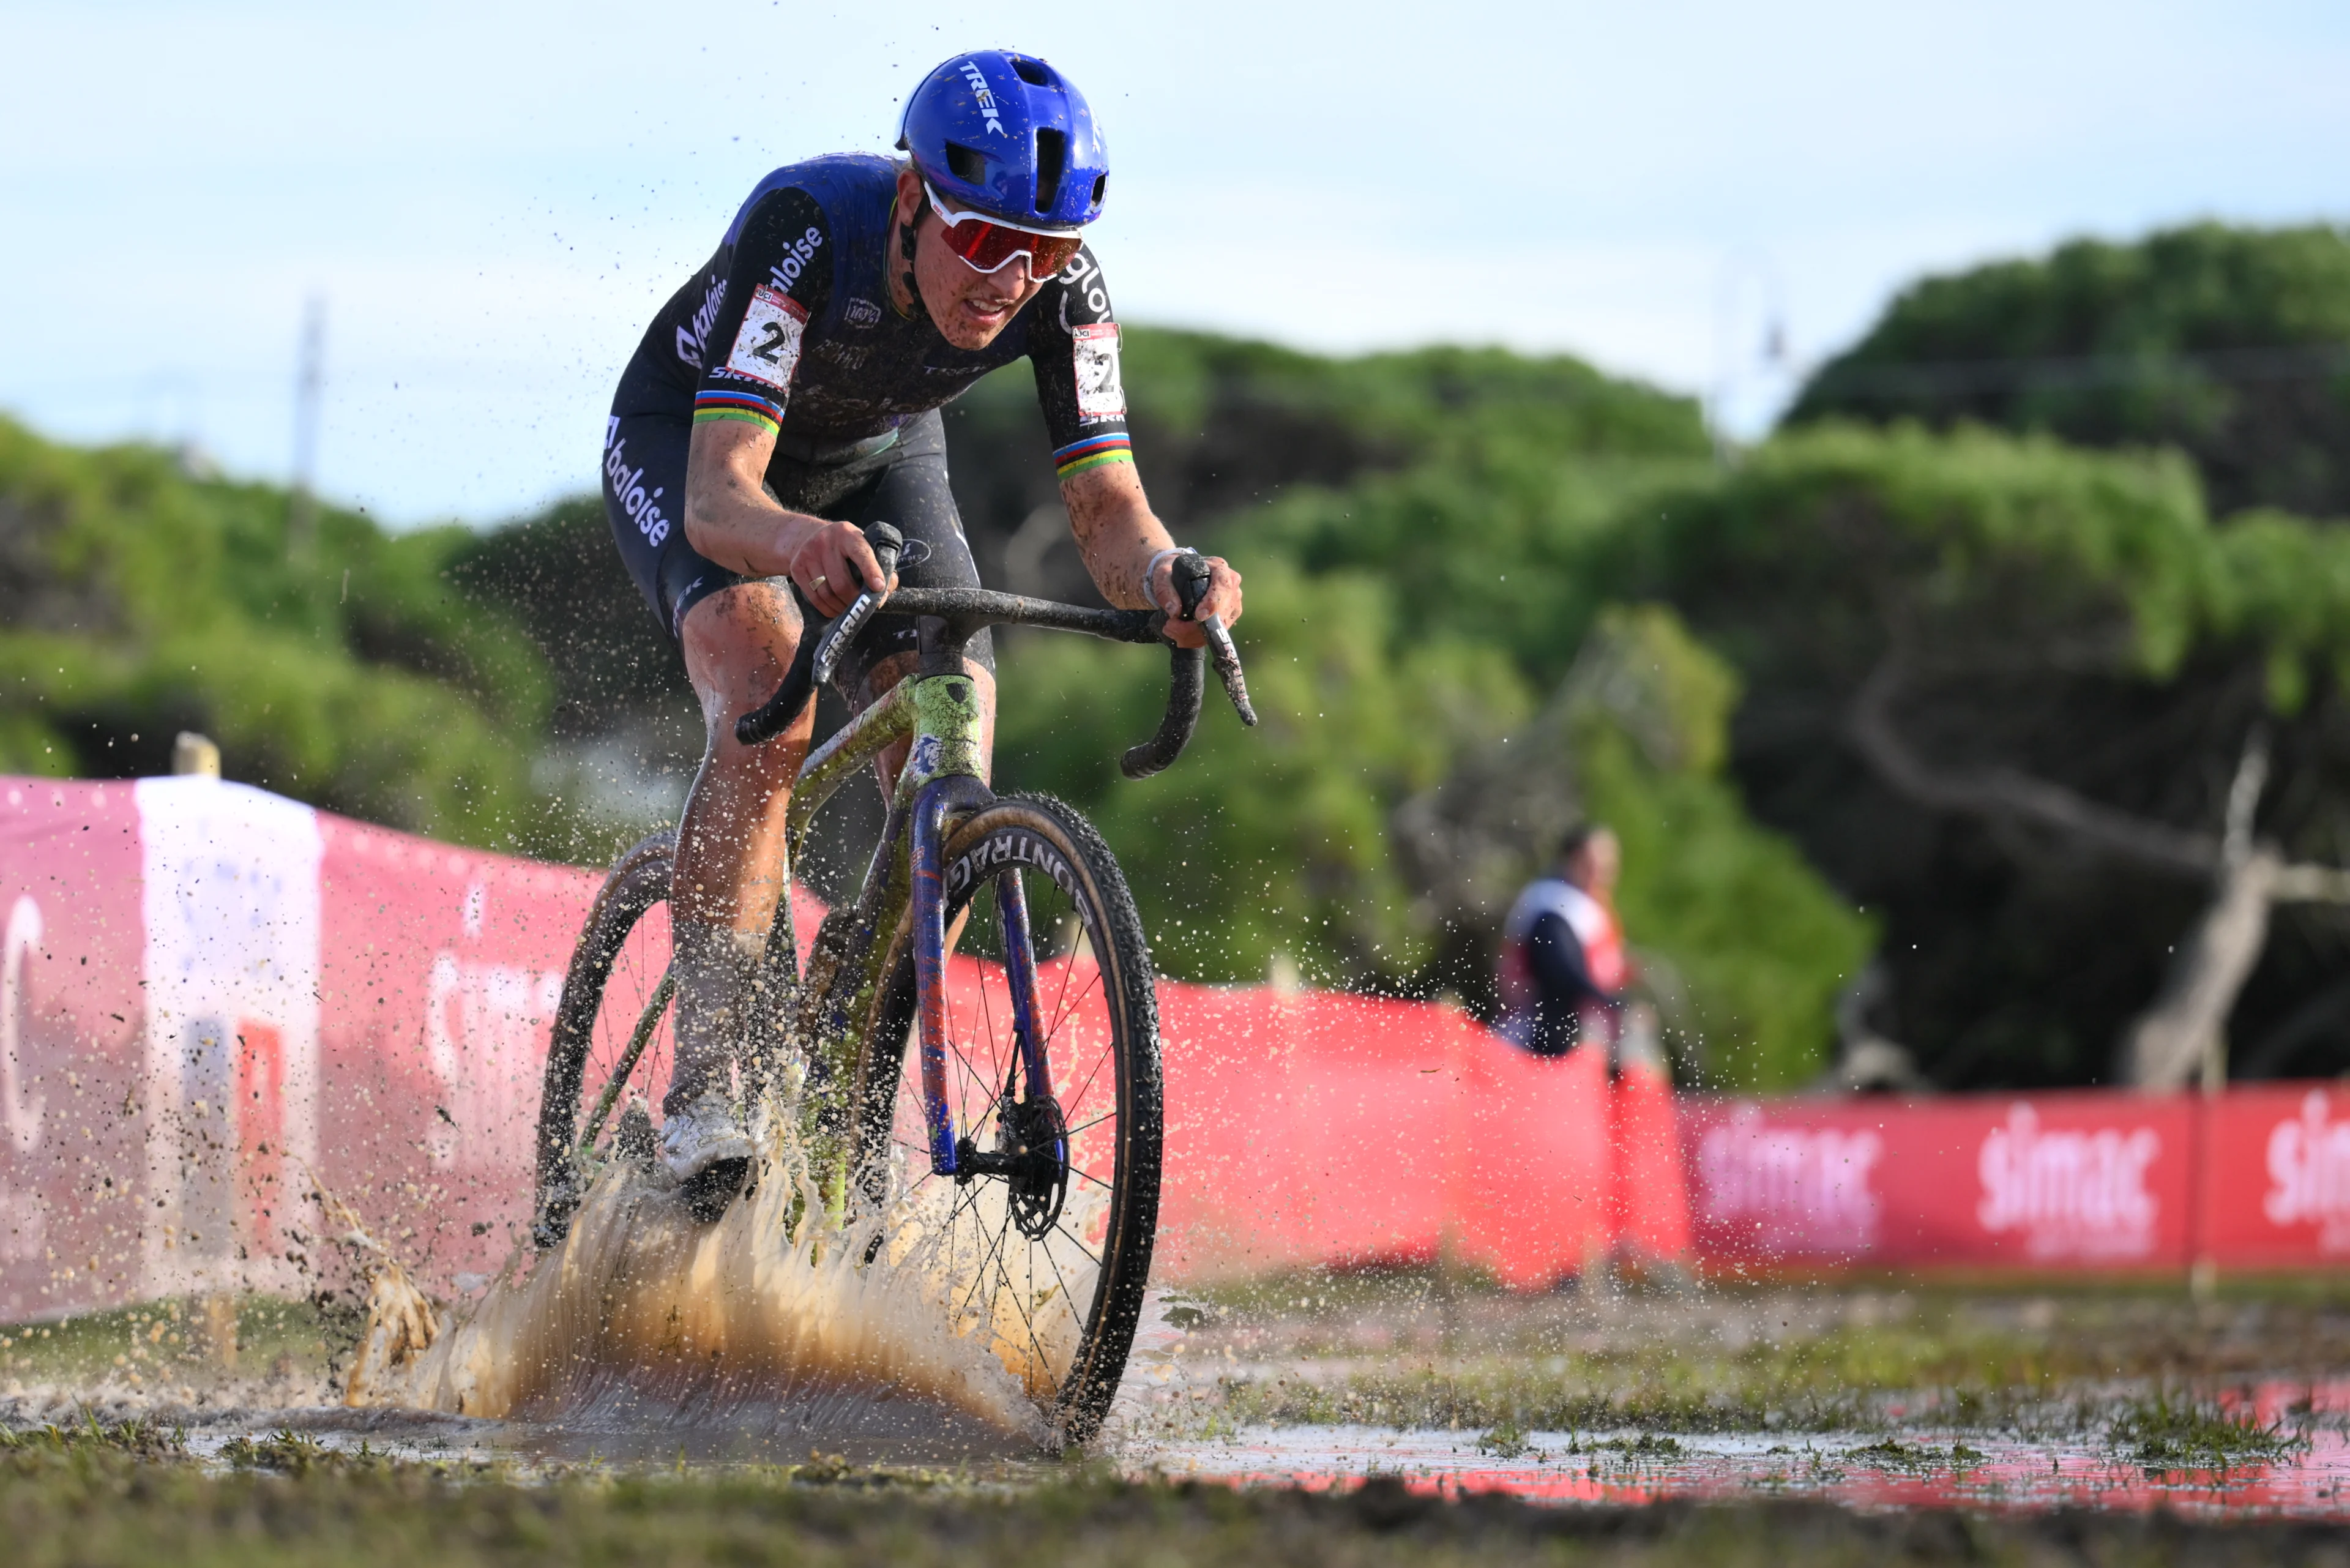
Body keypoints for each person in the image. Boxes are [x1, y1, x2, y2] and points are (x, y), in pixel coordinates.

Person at [600, 51, 1245, 1203]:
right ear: (912, 201)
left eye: (1042, 251)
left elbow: (1106, 509)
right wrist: (793, 542)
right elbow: (717, 495)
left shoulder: (1063, 292)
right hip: (704, 451)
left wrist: (1169, 576)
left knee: (958, 737)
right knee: (770, 704)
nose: (1012, 279)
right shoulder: (810, 227)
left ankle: (850, 1049)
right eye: (986, 241)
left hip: (882, 460)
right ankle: (708, 1088)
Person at [1494, 825, 1628, 1058]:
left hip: (1587, 1032)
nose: (1608, 866)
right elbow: (1560, 973)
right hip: (1541, 1034)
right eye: (1598, 859)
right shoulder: (1551, 904)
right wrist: (1613, 1005)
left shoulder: (1594, 905)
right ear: (1574, 859)